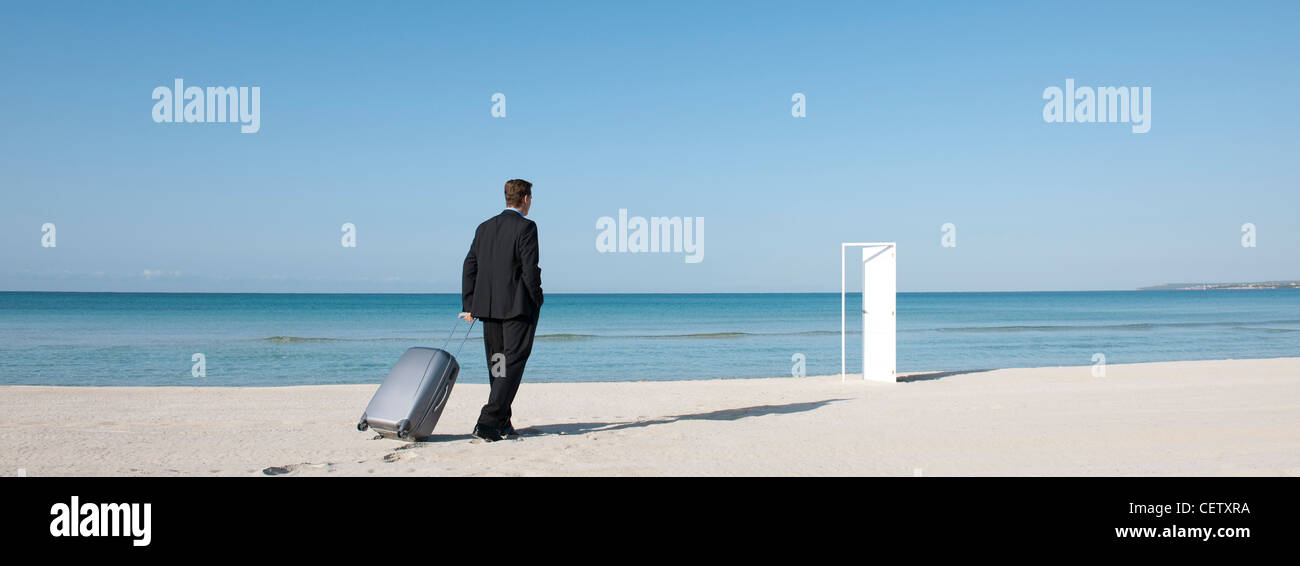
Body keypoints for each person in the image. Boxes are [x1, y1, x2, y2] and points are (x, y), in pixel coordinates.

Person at [459, 179, 543, 442]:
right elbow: (530, 269)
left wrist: (470, 304)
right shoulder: (526, 227)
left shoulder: (484, 228)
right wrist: (536, 298)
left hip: (488, 309)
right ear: (526, 199)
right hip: (517, 309)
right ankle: (488, 421)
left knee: (498, 365)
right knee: (512, 363)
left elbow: (469, 265)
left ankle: (502, 420)